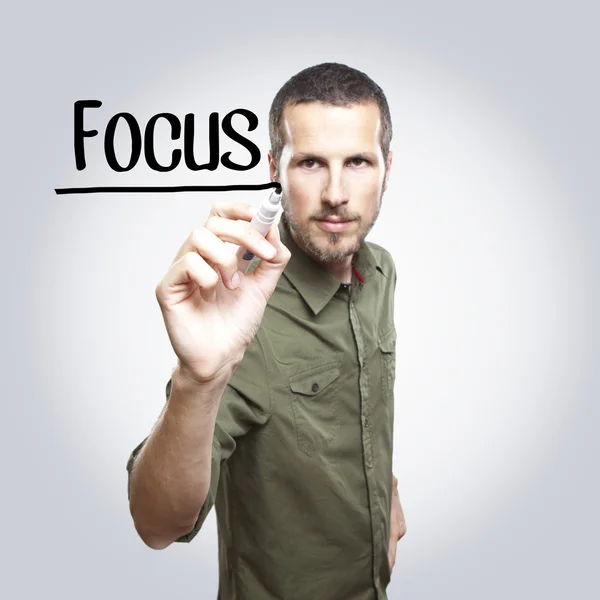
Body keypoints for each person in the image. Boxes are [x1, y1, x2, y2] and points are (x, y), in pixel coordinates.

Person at [126, 62, 407, 599]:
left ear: (386, 168)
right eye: (309, 163)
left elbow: (364, 400)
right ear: (275, 167)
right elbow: (157, 524)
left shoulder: (380, 269)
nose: (336, 193)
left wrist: (385, 494)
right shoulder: (242, 316)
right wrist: (198, 378)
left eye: (357, 161)